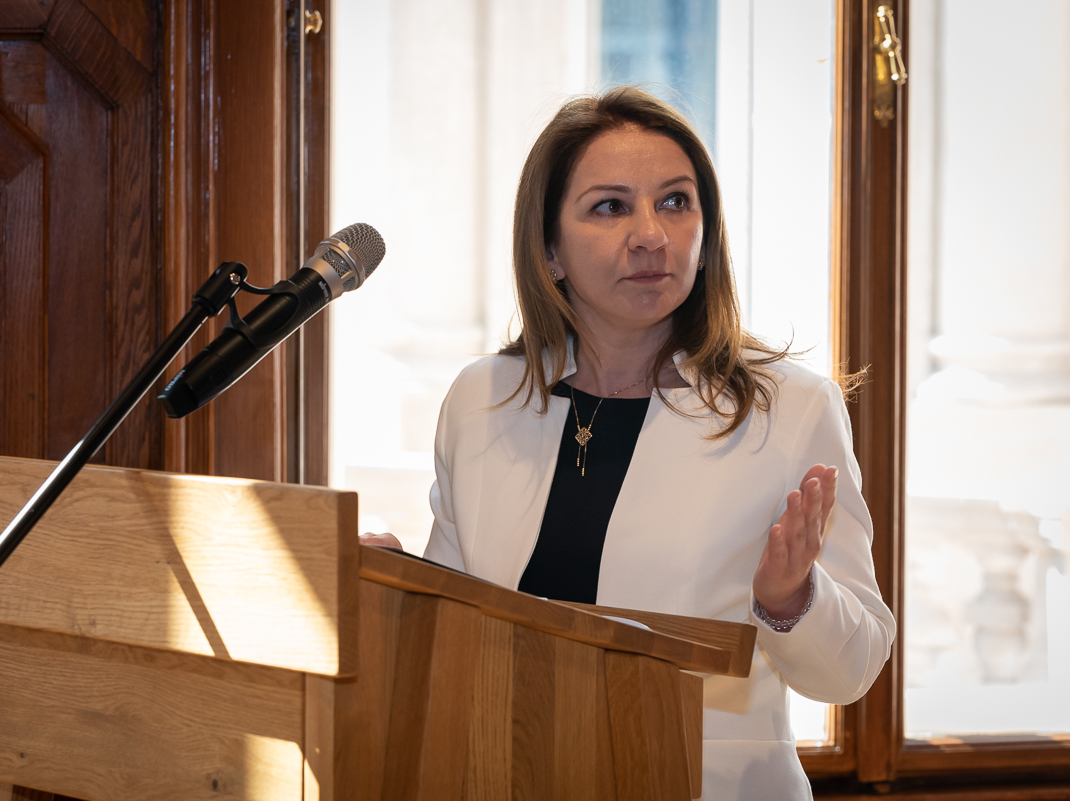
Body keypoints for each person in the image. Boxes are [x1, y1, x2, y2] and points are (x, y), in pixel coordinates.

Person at [363, 86, 895, 800]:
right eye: (611, 207)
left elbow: (852, 669)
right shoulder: (483, 398)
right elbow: (459, 630)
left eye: (675, 202)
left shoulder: (790, 409)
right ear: (548, 249)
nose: (651, 234)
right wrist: (393, 588)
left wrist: (792, 598)